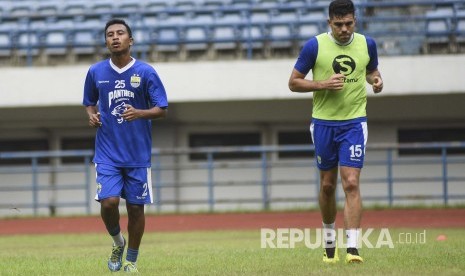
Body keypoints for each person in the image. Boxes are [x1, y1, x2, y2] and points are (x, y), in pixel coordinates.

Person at [288, 0, 383, 264]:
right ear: (329, 22)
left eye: (349, 24)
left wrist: (376, 80)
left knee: (351, 182)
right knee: (328, 186)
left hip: (354, 122)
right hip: (323, 124)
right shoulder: (315, 46)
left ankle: (353, 248)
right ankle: (329, 241)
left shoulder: (367, 44)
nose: (344, 29)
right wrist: (322, 83)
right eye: (339, 24)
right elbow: (293, 82)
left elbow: (371, 70)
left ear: (355, 21)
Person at [82, 18, 168, 273]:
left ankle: (131, 259)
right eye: (110, 34)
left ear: (130, 40)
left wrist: (139, 113)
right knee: (108, 203)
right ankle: (118, 242)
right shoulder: (96, 72)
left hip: (137, 154)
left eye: (120, 33)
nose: (115, 37)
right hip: (107, 152)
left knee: (135, 208)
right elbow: (89, 101)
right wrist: (91, 114)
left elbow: (162, 109)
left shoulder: (146, 72)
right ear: (106, 41)